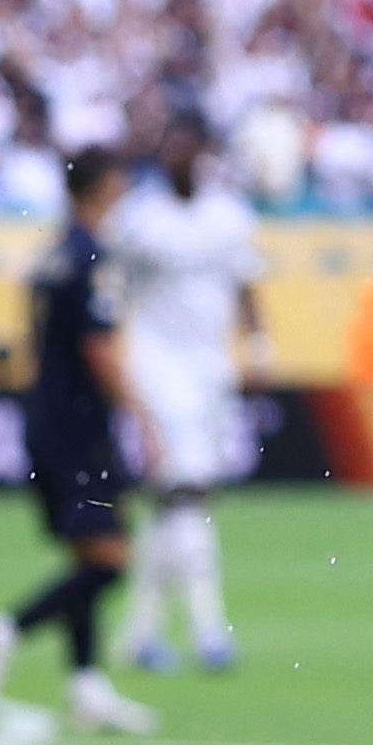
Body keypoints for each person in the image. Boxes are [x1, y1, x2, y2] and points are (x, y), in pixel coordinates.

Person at [0, 142, 163, 745]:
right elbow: (97, 347)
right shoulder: (94, 256)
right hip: (81, 429)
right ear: (103, 187)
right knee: (110, 559)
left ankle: (86, 687)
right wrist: (141, 415)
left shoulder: (51, 256)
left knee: (86, 555)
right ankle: (0, 633)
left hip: (46, 420)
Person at [103, 110, 267, 671]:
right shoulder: (137, 218)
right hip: (155, 365)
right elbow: (110, 289)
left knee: (174, 500)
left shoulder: (228, 215)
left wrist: (258, 346)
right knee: (187, 489)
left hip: (209, 368)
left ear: (203, 150)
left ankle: (140, 633)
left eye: (186, 145)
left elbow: (245, 283)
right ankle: (208, 628)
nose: (177, 155)